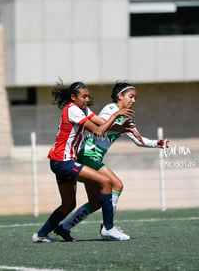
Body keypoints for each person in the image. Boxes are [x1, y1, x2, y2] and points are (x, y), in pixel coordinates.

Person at [54, 81, 168, 242]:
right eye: (131, 96)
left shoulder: (125, 115)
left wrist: (157, 143)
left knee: (95, 202)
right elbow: (101, 127)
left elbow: (138, 140)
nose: (133, 100)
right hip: (88, 153)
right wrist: (120, 123)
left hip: (94, 156)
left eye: (135, 98)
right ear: (119, 96)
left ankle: (65, 227)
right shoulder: (110, 109)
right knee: (117, 184)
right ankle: (108, 227)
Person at [32, 81, 135, 243]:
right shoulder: (73, 109)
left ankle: (41, 234)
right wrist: (116, 115)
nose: (87, 99)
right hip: (63, 162)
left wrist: (124, 129)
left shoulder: (82, 109)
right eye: (84, 96)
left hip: (61, 161)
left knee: (68, 204)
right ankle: (108, 228)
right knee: (106, 183)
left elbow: (102, 123)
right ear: (73, 97)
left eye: (88, 96)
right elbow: (99, 131)